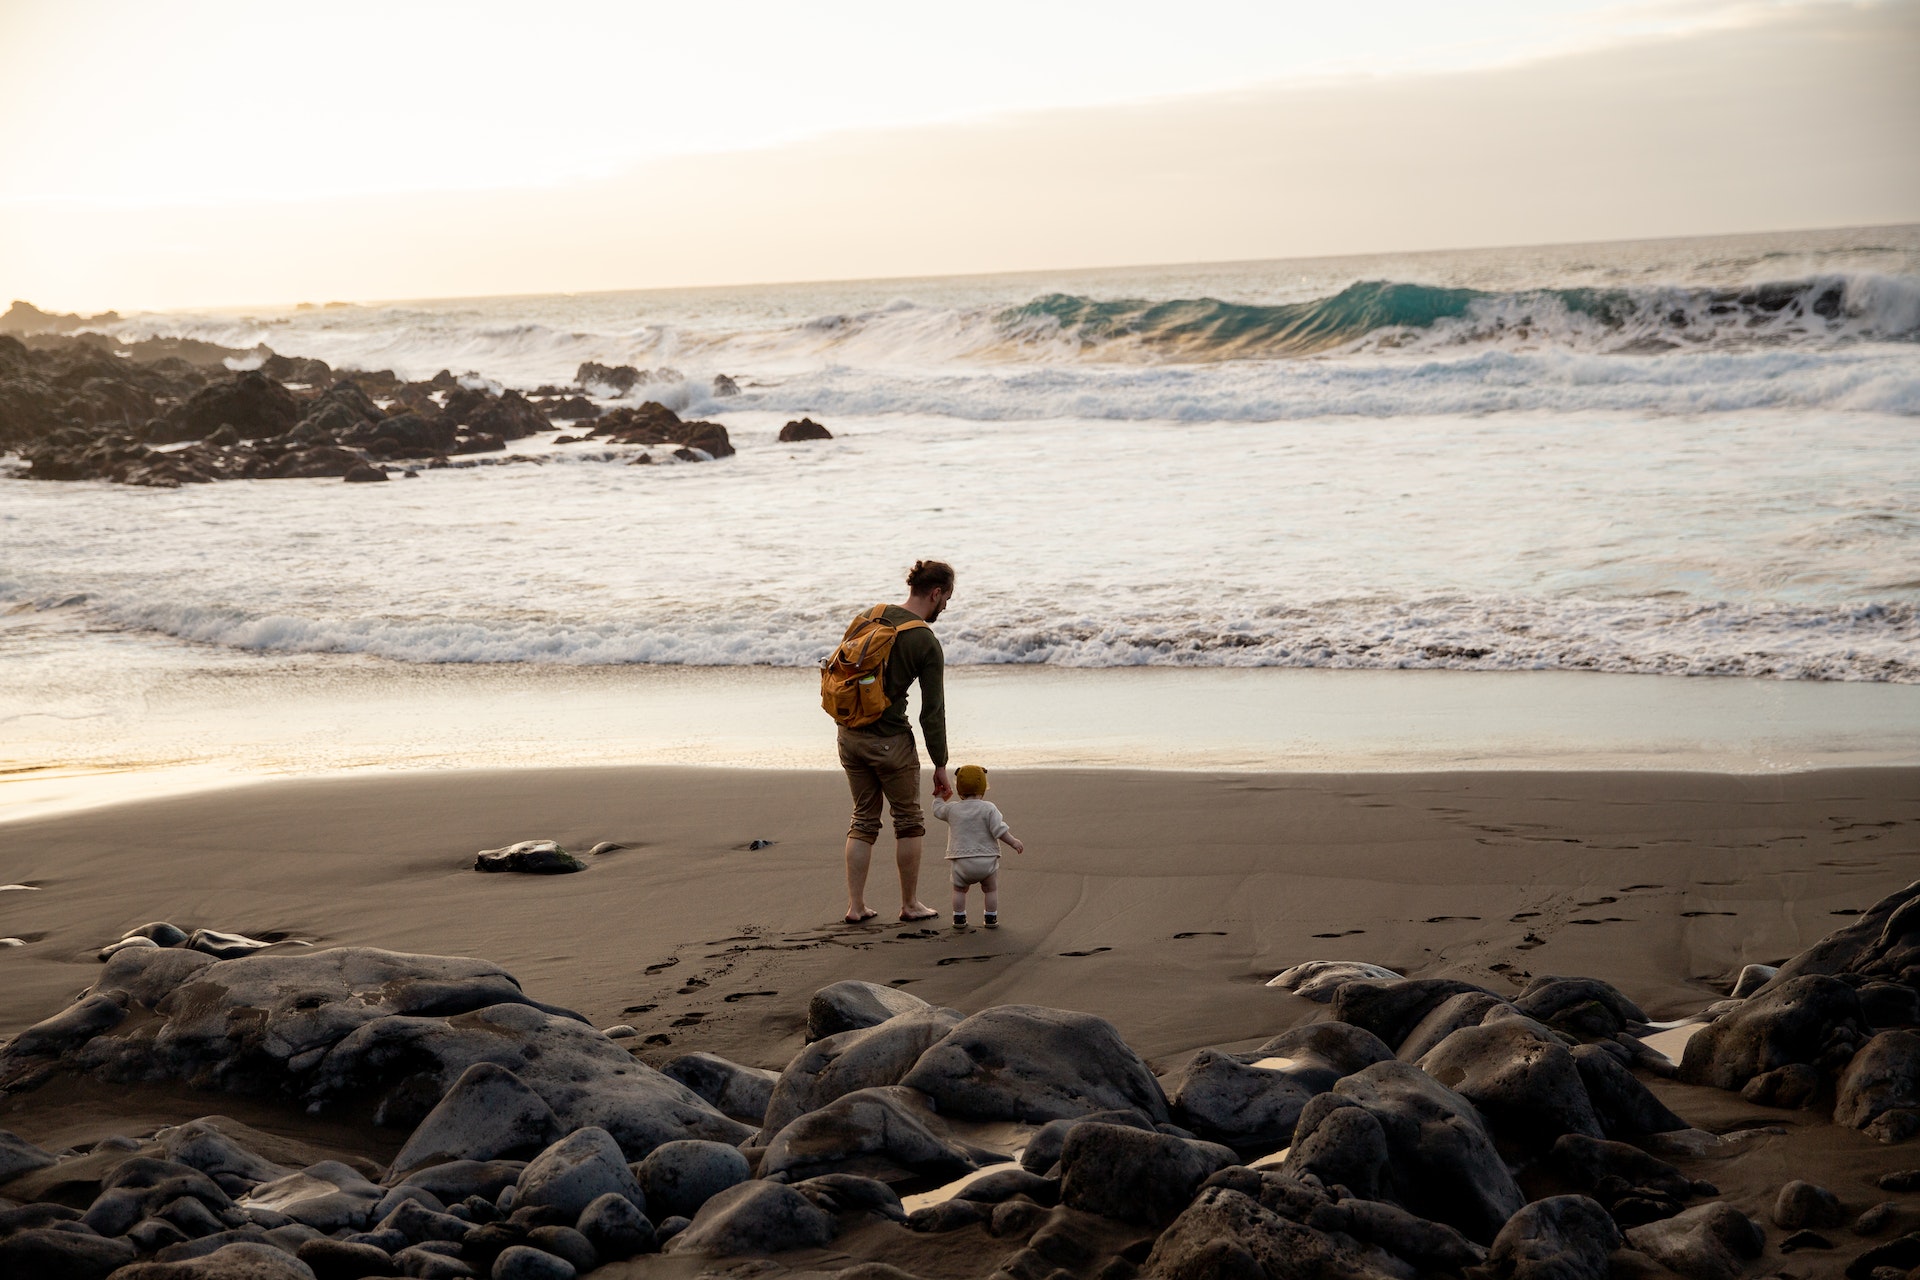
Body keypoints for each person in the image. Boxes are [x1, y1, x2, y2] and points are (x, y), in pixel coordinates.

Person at [838, 559, 954, 924]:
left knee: (863, 819)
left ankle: (856, 907)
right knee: (908, 821)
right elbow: (931, 712)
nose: (947, 606)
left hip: (849, 735)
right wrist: (940, 763)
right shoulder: (924, 640)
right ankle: (910, 904)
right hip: (889, 741)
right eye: (947, 598)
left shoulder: (870, 615)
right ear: (935, 593)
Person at [933, 764, 1024, 929]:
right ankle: (991, 918)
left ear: (959, 790)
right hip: (986, 860)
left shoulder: (952, 809)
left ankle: (959, 918)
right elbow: (999, 830)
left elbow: (937, 810)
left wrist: (940, 796)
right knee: (990, 889)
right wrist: (1013, 842)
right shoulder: (989, 808)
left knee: (959, 891)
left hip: (961, 862)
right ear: (983, 787)